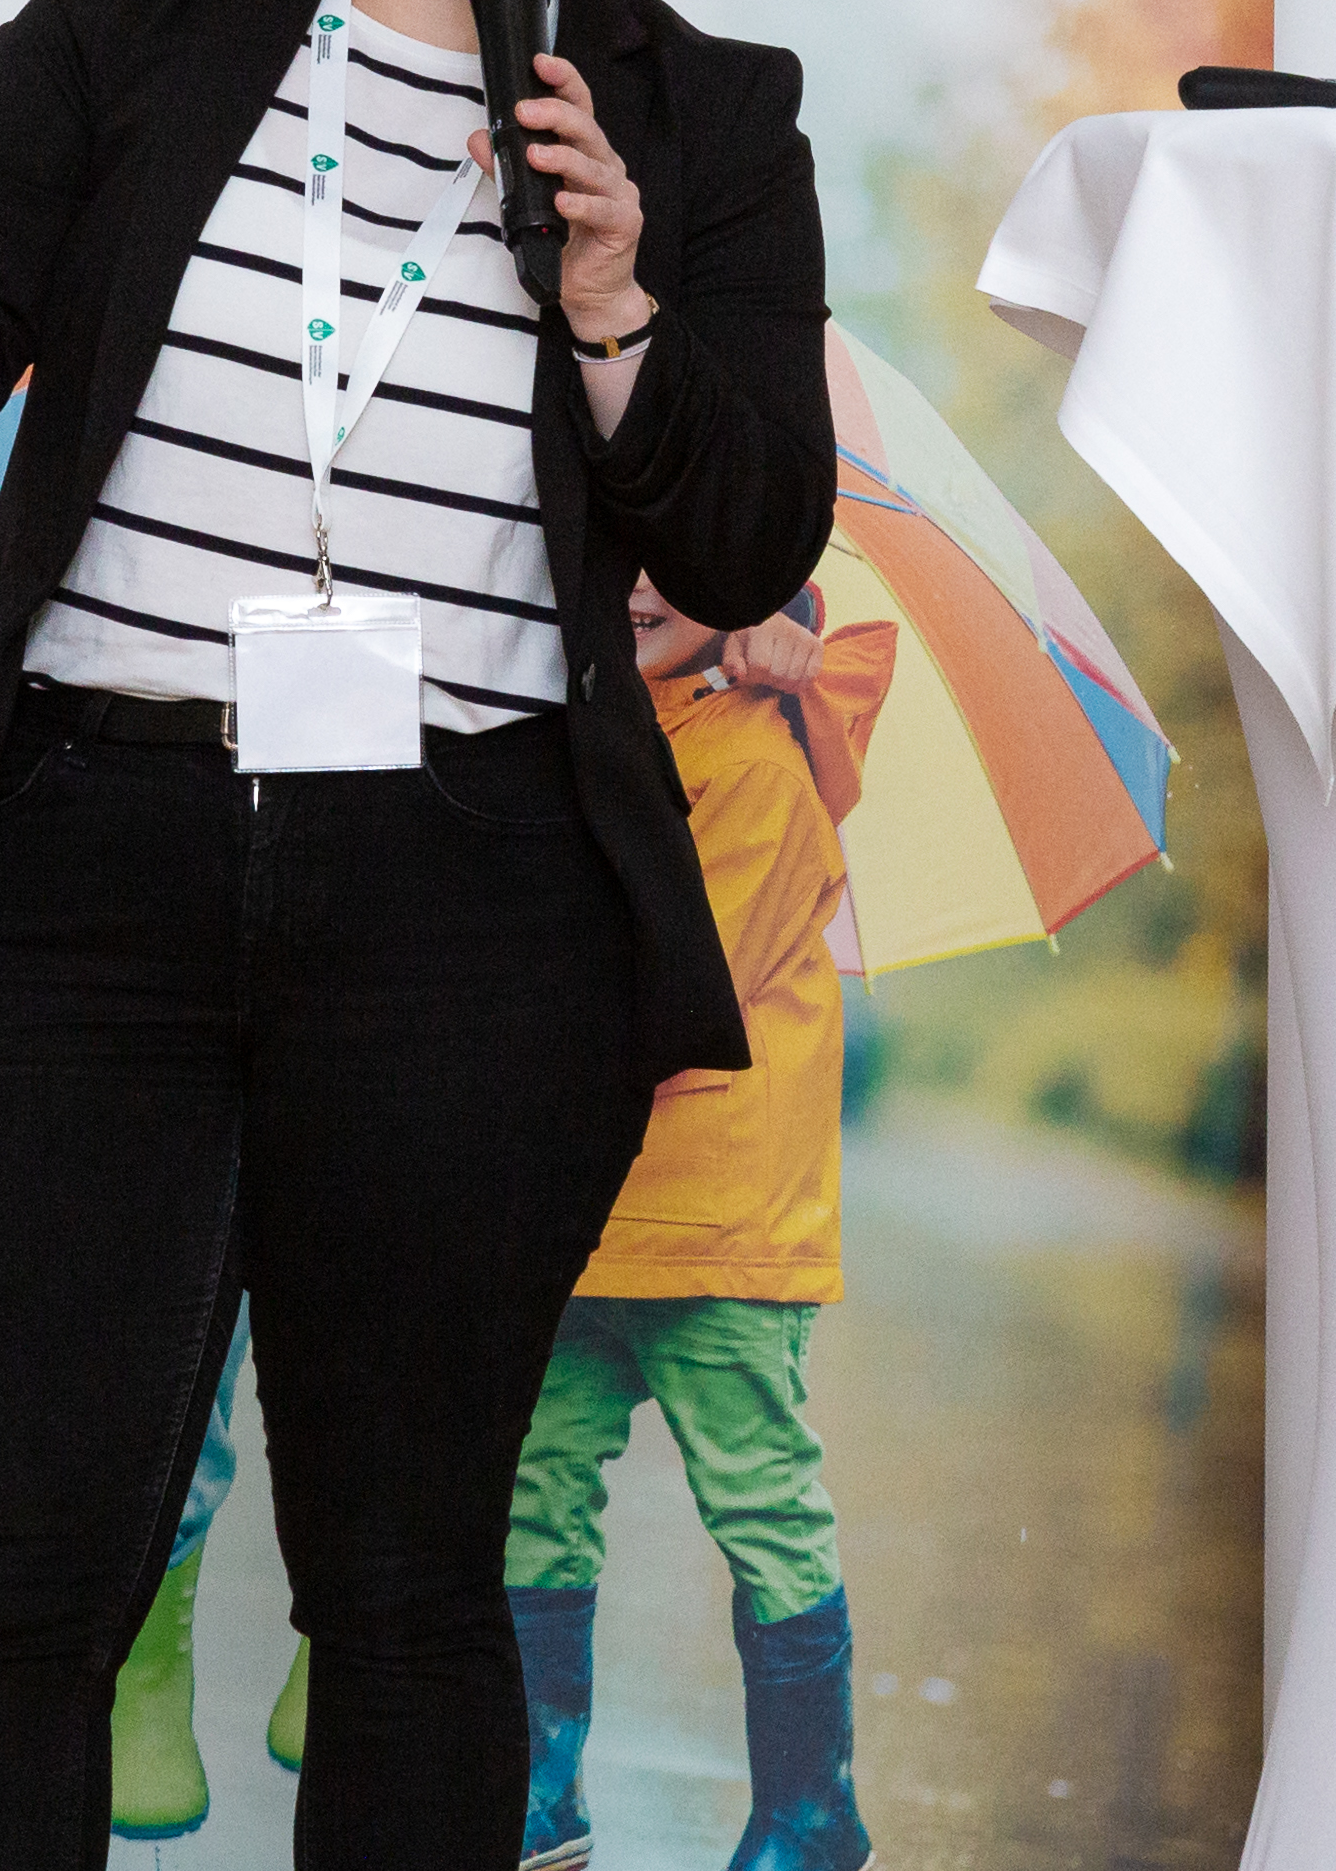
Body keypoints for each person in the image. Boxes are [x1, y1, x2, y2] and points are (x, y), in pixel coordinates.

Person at [0, 0, 833, 1871]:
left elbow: (746, 538)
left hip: (474, 905)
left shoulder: (698, 113)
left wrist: (610, 303)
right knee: (14, 1589)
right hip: (83, 856)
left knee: (407, 1593)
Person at [504, 574, 895, 1871]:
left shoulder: (759, 763)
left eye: (674, 557)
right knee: (533, 1485)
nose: (634, 584)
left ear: (742, 585)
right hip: (578, 1209)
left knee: (758, 1494)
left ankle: (808, 1809)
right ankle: (537, 1785)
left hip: (719, 1216)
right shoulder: (578, 727)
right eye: (615, 543)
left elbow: (689, 996)